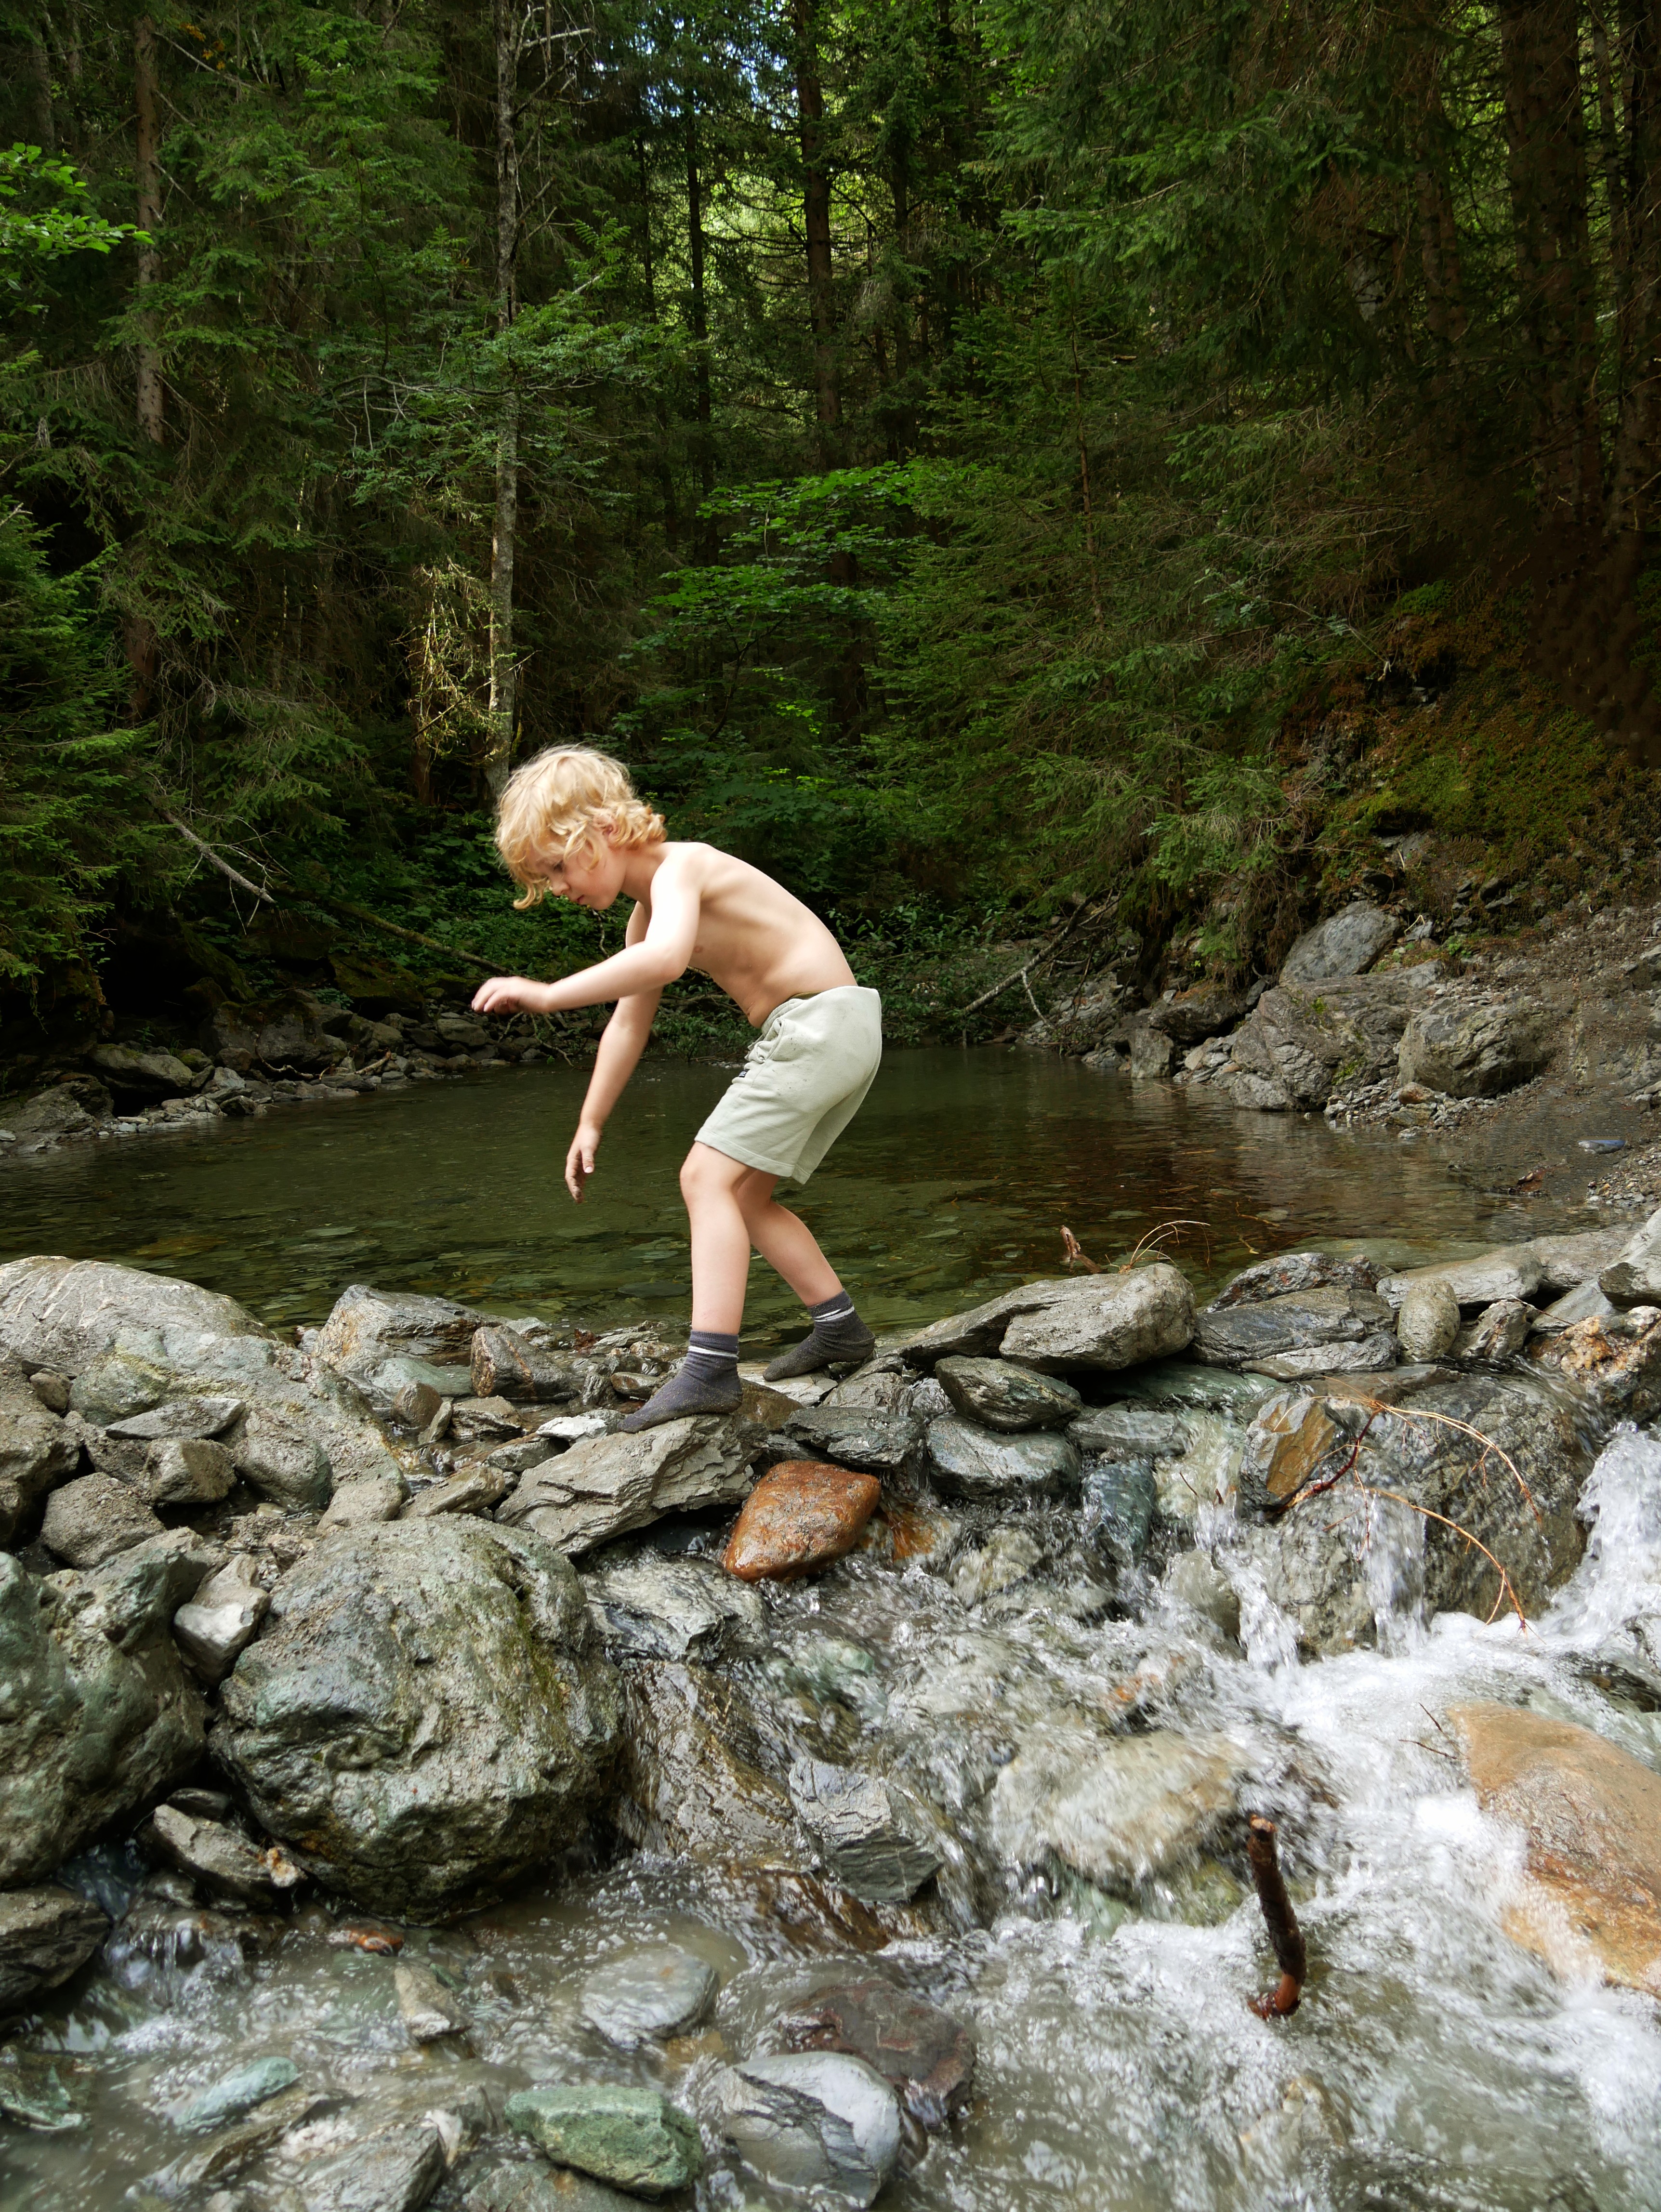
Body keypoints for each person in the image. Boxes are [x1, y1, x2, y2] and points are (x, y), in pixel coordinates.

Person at [472, 745, 881, 1430]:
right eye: (545, 878)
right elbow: (629, 1026)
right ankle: (839, 1327)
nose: (559, 888)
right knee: (744, 1195)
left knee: (703, 1178)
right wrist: (591, 1122)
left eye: (559, 866)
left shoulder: (684, 867)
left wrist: (545, 995)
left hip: (817, 1025)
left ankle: (710, 1367)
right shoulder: (647, 914)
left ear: (601, 830)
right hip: (834, 1027)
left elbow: (661, 960)